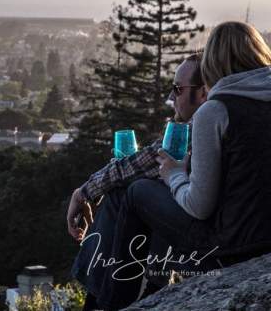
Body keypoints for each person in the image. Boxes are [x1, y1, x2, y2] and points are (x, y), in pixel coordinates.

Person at [97, 21, 271, 309]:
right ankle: (149, 291)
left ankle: (114, 303)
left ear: (214, 61)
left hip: (230, 249)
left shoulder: (215, 111)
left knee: (138, 193)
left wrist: (174, 174)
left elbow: (198, 205)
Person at [67, 53, 207, 310]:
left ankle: (101, 299)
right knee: (136, 189)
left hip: (212, 238)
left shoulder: (205, 124)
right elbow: (141, 165)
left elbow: (142, 163)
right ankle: (110, 295)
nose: (172, 97)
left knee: (129, 193)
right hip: (217, 229)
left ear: (202, 93)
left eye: (177, 89)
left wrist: (84, 192)